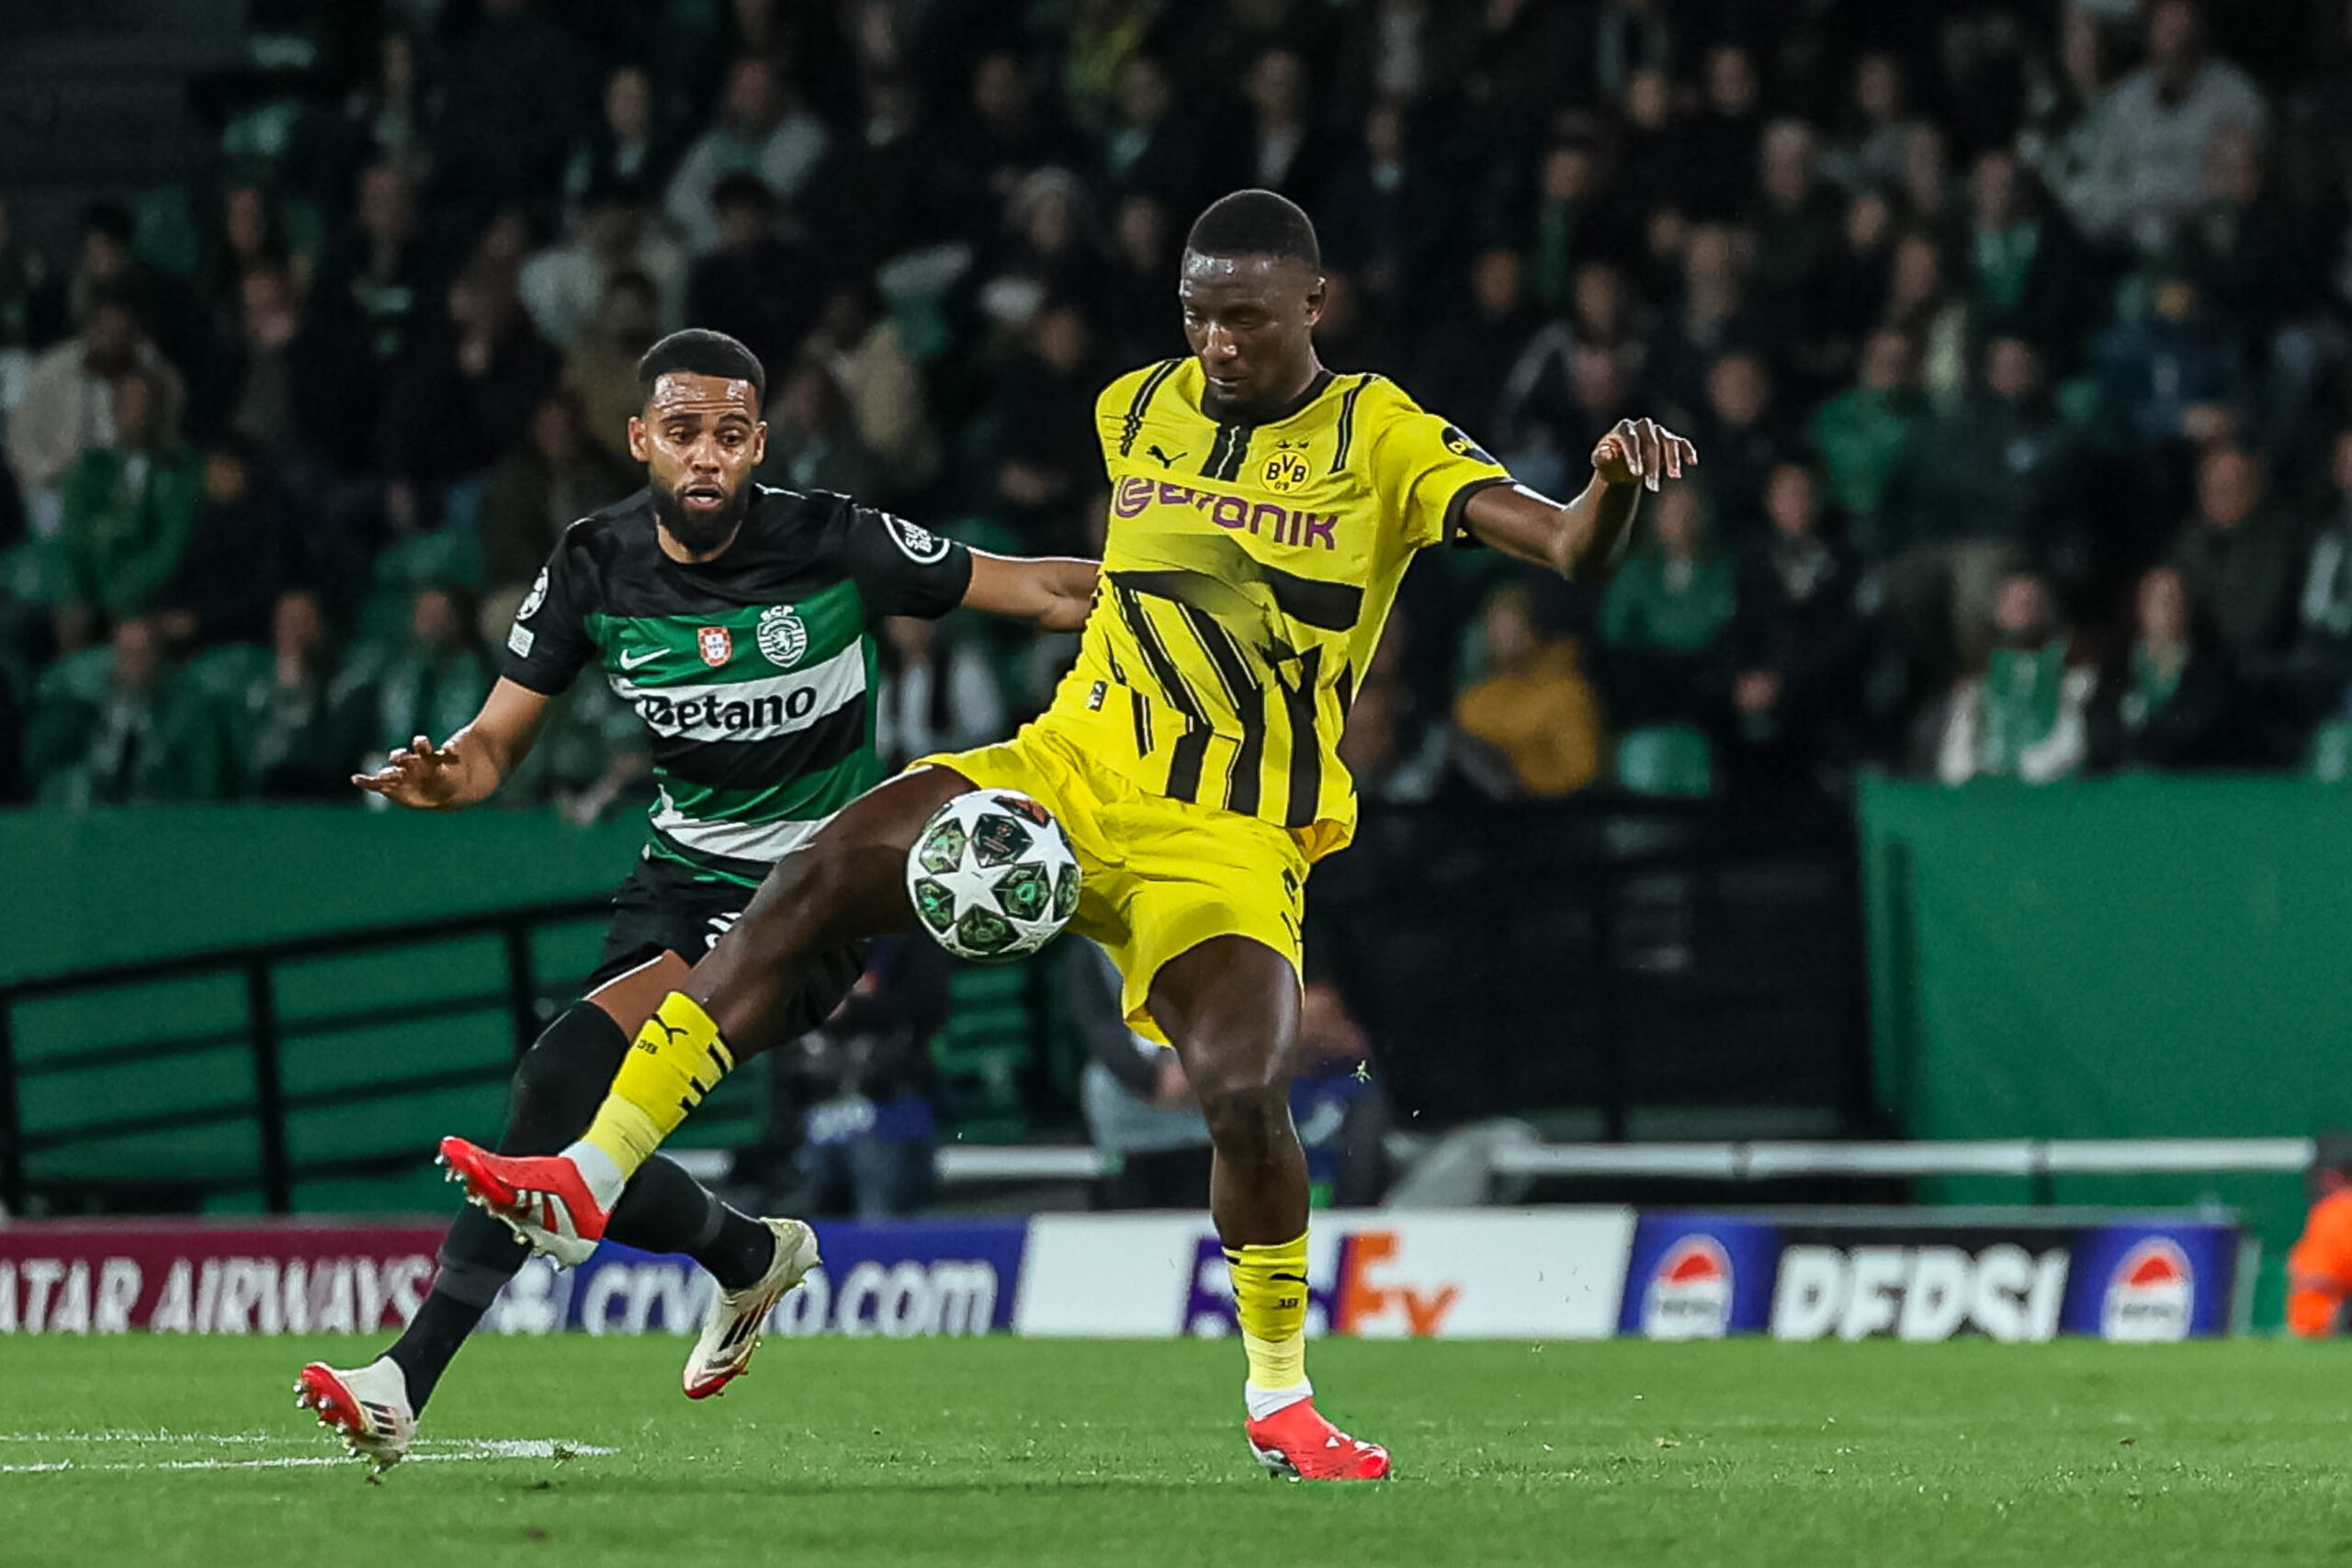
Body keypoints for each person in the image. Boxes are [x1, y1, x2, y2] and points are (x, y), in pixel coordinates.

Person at [436, 190, 1694, 1482]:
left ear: (1313, 306)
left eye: (1248, 319)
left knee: (1248, 1095)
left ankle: (1280, 1396)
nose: (1218, 344)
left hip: (1226, 829)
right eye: (1199, 315)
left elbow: (1565, 549)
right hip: (1066, 767)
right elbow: (1124, 578)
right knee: (816, 869)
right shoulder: (1132, 406)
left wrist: (1608, 490)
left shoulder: (1380, 433)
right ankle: (596, 1168)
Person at [293, 328, 1096, 1475]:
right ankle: (739, 1254)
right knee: (558, 1104)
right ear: (640, 441)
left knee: (553, 1093)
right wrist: (445, 777)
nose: (706, 455)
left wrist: (1190, 607)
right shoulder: (591, 563)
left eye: (729, 434)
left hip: (812, 900)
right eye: (682, 433)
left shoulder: (833, 539)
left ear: (759, 443)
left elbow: (1050, 594)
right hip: (676, 882)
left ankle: (403, 1382)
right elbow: (489, 750)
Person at [2287, 1134, 2352, 1337]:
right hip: (2313, 1322)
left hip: (2332, 1319)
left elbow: (2319, 1274)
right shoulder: (2326, 1211)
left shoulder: (2340, 1211)